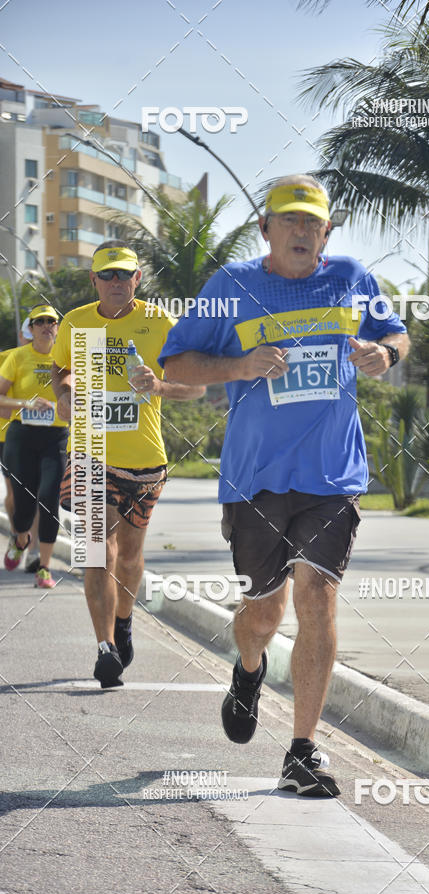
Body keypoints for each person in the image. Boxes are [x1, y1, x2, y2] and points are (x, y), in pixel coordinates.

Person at [159, 175, 409, 797]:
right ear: (265, 228)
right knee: (263, 609)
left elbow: (395, 334)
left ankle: (302, 751)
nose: (302, 231)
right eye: (289, 220)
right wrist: (240, 366)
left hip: (331, 475)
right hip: (256, 479)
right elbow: (176, 364)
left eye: (313, 223)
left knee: (317, 599)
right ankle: (248, 670)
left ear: (327, 232)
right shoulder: (233, 287)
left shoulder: (352, 277)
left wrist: (387, 356)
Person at [51, 241, 205, 689]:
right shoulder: (77, 323)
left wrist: (159, 385)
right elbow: (61, 368)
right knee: (97, 551)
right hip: (89, 455)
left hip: (144, 461)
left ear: (137, 279)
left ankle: (123, 619)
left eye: (125, 275)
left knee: (131, 557)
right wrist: (64, 394)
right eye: (108, 275)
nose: (117, 282)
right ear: (94, 280)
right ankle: (104, 649)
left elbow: (195, 387)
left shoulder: (160, 324)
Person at [0, 304, 68, 588]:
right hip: (21, 435)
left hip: (56, 437)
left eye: (51, 321)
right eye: (39, 321)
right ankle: (20, 537)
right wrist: (26, 404)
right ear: (31, 327)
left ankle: (44, 568)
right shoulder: (16, 358)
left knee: (49, 497)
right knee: (23, 501)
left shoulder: (66, 359)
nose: (45, 326)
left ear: (57, 327)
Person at [0, 319, 42, 571]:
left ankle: (35, 551)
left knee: (36, 495)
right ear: (21, 334)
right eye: (28, 334)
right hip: (7, 437)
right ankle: (19, 538)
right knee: (15, 496)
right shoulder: (7, 357)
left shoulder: (52, 360)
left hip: (41, 436)